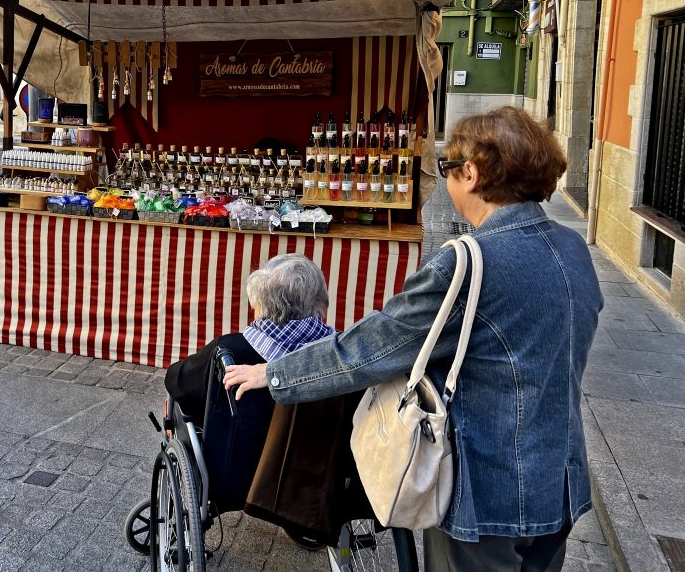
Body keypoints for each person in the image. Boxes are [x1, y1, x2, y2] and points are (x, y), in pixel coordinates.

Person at [224, 106, 603, 572]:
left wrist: (277, 372)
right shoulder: (572, 248)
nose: (444, 180)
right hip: (560, 478)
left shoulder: (467, 263)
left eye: (446, 168)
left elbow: (371, 347)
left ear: (471, 173)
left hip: (489, 489)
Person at [164, 252, 333, 420]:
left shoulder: (228, 349)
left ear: (259, 303)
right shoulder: (340, 351)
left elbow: (177, 382)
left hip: (243, 436)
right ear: (320, 300)